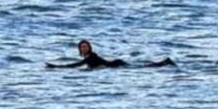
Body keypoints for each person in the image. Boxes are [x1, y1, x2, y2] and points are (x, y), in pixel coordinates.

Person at [45, 40, 174, 69]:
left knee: (143, 68)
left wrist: (56, 67)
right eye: (82, 47)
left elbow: (76, 65)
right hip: (115, 64)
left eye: (85, 46)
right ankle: (164, 62)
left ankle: (164, 62)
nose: (84, 48)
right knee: (143, 66)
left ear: (89, 47)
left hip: (116, 64)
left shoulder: (91, 57)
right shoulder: (89, 57)